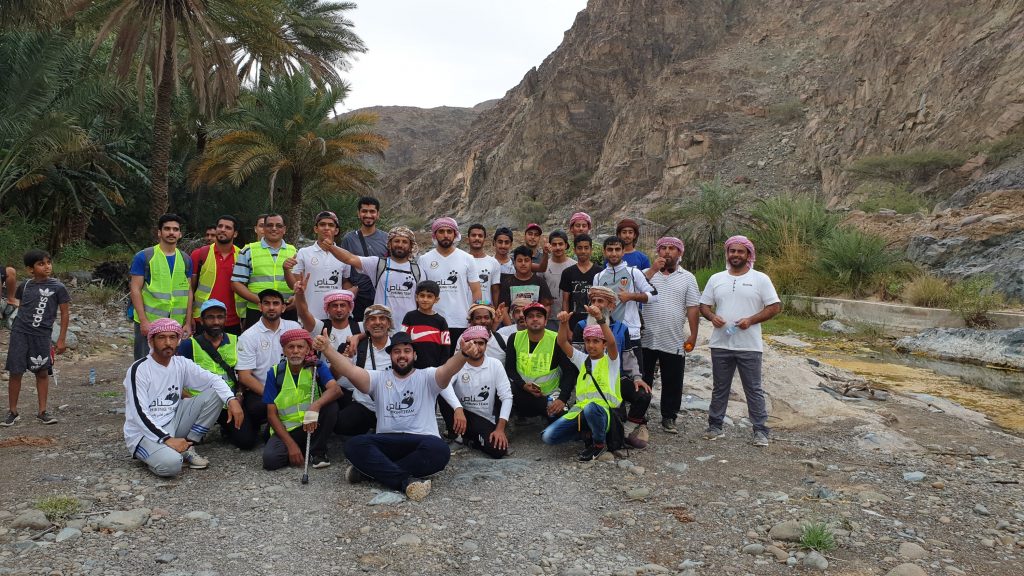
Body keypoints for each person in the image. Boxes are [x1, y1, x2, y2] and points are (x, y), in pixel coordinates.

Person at [320, 331, 484, 501]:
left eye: (407, 351)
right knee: (354, 445)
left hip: (422, 440)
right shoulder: (378, 378)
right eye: (396, 351)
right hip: (387, 441)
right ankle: (405, 481)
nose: (402, 355)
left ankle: (371, 473)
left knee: (440, 450)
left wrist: (463, 355)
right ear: (390, 356)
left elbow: (448, 369)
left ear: (415, 355)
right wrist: (327, 349)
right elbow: (349, 370)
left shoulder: (428, 376)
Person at [123, 318, 244, 477]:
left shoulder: (181, 363)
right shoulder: (139, 369)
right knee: (172, 465)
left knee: (217, 392)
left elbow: (214, 380)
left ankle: (187, 446)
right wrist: (167, 439)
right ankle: (160, 452)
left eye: (172, 337)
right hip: (143, 433)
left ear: (178, 340)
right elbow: (139, 413)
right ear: (151, 341)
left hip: (173, 420)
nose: (168, 342)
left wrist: (231, 400)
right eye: (162, 337)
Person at [698, 236, 781, 447]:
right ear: (727, 253)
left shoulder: (760, 278)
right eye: (732, 251)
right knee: (720, 387)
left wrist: (751, 320)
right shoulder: (716, 278)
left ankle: (760, 431)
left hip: (749, 345)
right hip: (720, 344)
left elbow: (774, 307)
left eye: (740, 251)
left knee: (753, 388)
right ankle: (715, 426)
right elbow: (704, 305)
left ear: (748, 254)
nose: (735, 254)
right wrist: (712, 316)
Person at [176, 299, 261, 449]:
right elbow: (176, 379)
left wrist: (239, 395)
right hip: (200, 404)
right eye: (210, 317)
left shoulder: (237, 341)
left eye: (220, 317)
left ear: (225, 319)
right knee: (185, 441)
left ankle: (225, 428)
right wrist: (191, 403)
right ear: (202, 320)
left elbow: (243, 373)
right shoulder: (189, 345)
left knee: (247, 441)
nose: (216, 322)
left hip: (229, 402)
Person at [575, 286, 651, 449]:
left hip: (616, 378)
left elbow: (629, 357)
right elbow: (575, 359)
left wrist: (637, 377)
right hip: (590, 380)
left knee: (643, 395)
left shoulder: (621, 328)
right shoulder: (581, 326)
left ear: (611, 306)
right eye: (593, 301)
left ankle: (626, 432)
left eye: (600, 301)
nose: (596, 305)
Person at [1, 250, 70, 426]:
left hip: (42, 336)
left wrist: (61, 339)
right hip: (20, 334)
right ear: (30, 269)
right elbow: (21, 306)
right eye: (41, 264)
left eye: (48, 263)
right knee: (15, 371)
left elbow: (64, 313)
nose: (47, 266)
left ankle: (42, 411)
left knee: (42, 372)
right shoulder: (24, 286)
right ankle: (13, 412)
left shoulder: (58, 287)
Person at [543, 307, 620, 461]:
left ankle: (599, 444)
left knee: (591, 408)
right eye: (588, 341)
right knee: (548, 436)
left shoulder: (611, 361)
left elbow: (612, 342)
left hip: (602, 413)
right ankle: (586, 433)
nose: (591, 345)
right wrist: (563, 323)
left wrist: (600, 319)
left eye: (596, 341)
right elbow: (562, 342)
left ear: (603, 344)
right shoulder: (582, 360)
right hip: (580, 411)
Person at [642, 237, 701, 434]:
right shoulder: (646, 273)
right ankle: (639, 413)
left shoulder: (688, 278)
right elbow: (634, 292)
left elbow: (693, 308)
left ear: (680, 253)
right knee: (643, 376)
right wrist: (652, 271)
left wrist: (693, 335)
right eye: (663, 248)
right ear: (658, 252)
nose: (667, 252)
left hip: (673, 336)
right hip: (646, 336)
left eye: (672, 248)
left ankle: (669, 417)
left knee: (673, 379)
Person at [262, 329, 341, 470]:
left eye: (300, 347)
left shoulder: (316, 367)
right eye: (290, 347)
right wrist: (291, 445)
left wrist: (315, 405)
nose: (295, 351)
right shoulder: (274, 372)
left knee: (331, 406)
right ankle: (302, 448)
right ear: (284, 350)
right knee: (271, 461)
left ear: (308, 350)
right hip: (288, 430)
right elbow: (271, 414)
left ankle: (317, 451)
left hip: (312, 424)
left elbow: (336, 390)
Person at [234, 289, 303, 441]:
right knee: (256, 409)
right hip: (263, 391)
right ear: (260, 307)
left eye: (276, 303)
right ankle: (275, 425)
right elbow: (244, 376)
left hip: (293, 388)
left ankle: (280, 428)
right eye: (267, 303)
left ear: (283, 308)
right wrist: (274, 396)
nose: (271, 307)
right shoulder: (248, 336)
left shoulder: (294, 327)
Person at [438, 327, 513, 458]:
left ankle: (469, 441)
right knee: (442, 392)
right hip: (461, 415)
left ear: (486, 345)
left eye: (481, 343)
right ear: (465, 344)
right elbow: (443, 385)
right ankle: (456, 436)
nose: (476, 347)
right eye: (472, 343)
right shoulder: (457, 363)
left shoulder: (495, 364)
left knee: (498, 451)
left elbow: (507, 397)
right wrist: (458, 408)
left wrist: (500, 429)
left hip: (484, 419)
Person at [323, 226, 421, 323]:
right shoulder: (377, 264)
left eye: (405, 242)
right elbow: (349, 258)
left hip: (409, 326)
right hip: (382, 326)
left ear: (410, 246)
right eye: (396, 241)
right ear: (389, 244)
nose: (400, 245)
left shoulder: (418, 270)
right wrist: (331, 247)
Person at [129, 213, 194, 360]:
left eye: (175, 229)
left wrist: (188, 323)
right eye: (167, 229)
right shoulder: (144, 257)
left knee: (172, 364)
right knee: (144, 362)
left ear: (180, 234)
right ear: (159, 232)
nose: (171, 232)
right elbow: (135, 289)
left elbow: (188, 291)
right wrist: (143, 321)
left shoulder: (185, 259)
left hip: (176, 323)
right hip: (150, 322)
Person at [328, 304, 394, 437]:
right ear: (366, 325)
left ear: (389, 323)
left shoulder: (399, 346)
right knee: (341, 425)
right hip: (365, 405)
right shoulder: (354, 347)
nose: (377, 322)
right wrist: (340, 360)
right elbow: (336, 377)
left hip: (393, 407)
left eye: (382, 318)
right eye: (372, 319)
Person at [504, 302, 574, 422]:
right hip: (523, 392)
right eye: (530, 316)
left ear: (545, 321)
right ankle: (518, 415)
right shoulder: (514, 338)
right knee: (504, 388)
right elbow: (510, 369)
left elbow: (570, 373)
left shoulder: (557, 340)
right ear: (525, 321)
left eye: (539, 316)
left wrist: (562, 399)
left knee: (563, 420)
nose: (535, 319)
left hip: (550, 395)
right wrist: (523, 385)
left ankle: (545, 412)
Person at [418, 217, 482, 347]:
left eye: (449, 231)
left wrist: (474, 317)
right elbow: (420, 292)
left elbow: (476, 290)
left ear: (455, 234)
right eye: (441, 231)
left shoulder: (467, 258)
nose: (446, 235)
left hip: (460, 321)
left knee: (458, 358)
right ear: (435, 234)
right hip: (432, 321)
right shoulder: (424, 259)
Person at [593, 236, 657, 355]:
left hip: (630, 333)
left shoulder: (634, 272)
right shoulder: (598, 277)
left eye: (617, 249)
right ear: (604, 252)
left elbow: (654, 295)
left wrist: (631, 296)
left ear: (623, 252)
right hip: (605, 333)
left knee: (634, 368)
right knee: (609, 367)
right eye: (610, 249)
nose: (614, 253)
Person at [232, 213, 297, 329]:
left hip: (287, 310)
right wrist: (262, 302)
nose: (274, 228)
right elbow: (236, 283)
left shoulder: (294, 251)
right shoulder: (248, 250)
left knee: (289, 341)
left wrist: (297, 297)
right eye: (269, 225)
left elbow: (300, 282)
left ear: (284, 229)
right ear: (264, 228)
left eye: (278, 226)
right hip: (257, 310)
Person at [285, 211, 353, 322]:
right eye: (322, 224)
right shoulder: (304, 252)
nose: (326, 228)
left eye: (331, 225)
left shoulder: (344, 255)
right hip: (309, 316)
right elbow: (294, 285)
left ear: (336, 231)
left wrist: (351, 295)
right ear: (316, 229)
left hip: (335, 318)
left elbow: (345, 282)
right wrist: (286, 270)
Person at [191, 215, 246, 335]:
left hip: (232, 321)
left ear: (235, 234)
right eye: (220, 226)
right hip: (202, 319)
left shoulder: (242, 256)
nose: (222, 229)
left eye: (228, 227)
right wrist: (189, 317)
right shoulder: (199, 254)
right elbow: (189, 289)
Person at [340, 196, 388, 321]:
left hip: (381, 296)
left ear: (378, 214)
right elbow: (344, 271)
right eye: (364, 211)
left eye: (372, 211)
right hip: (358, 299)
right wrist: (350, 293)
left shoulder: (387, 239)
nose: (368, 215)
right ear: (358, 213)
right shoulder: (349, 239)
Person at [402, 280, 450, 368]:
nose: (425, 299)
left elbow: (446, 348)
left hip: (434, 369)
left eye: (429, 296)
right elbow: (403, 341)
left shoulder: (441, 321)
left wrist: (441, 369)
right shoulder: (409, 317)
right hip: (412, 369)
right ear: (416, 297)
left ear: (436, 300)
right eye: (422, 295)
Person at [560, 234, 599, 331]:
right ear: (574, 250)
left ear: (591, 250)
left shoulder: (599, 272)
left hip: (594, 323)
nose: (583, 251)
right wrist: (566, 327)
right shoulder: (567, 272)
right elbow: (565, 301)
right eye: (579, 248)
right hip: (573, 323)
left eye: (586, 248)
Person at [541, 231, 575, 329]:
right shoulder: (544, 266)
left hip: (570, 316)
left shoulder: (574, 265)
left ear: (566, 245)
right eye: (554, 244)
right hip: (549, 317)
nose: (558, 247)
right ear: (550, 246)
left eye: (560, 244)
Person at [467, 224, 500, 305]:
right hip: (464, 309)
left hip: (485, 308)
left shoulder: (493, 263)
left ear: (484, 239)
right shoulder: (462, 260)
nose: (477, 238)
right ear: (467, 239)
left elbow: (495, 291)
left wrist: (495, 309)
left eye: (480, 236)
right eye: (473, 235)